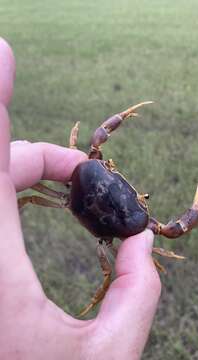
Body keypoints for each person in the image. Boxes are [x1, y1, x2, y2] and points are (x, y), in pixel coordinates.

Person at [0, 38, 161, 360]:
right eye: (110, 169)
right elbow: (171, 229)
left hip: (67, 198)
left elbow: (96, 142)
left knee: (33, 196)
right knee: (108, 269)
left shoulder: (88, 164)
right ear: (109, 168)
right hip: (93, 220)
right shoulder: (127, 225)